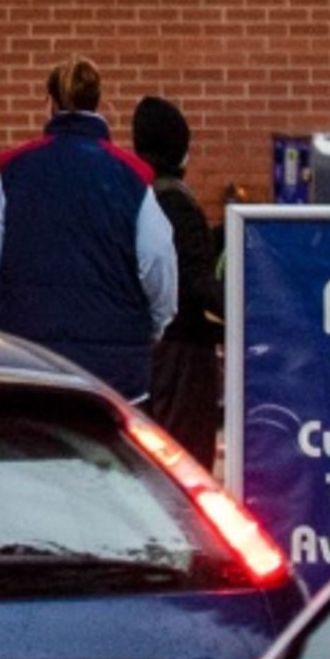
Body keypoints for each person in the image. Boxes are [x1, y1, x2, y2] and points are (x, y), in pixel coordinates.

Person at [0, 59, 178, 399]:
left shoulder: (12, 171)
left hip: (26, 357)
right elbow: (157, 261)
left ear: (49, 103)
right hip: (114, 368)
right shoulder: (132, 176)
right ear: (98, 102)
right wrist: (153, 325)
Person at [132, 93, 227, 466]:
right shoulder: (175, 201)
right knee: (184, 461)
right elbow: (195, 282)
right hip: (184, 352)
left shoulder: (140, 193)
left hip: (153, 351)